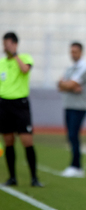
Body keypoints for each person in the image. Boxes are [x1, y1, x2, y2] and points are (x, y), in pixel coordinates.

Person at [0, 32, 43, 187]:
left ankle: (34, 178)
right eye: (4, 44)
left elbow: (25, 70)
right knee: (8, 141)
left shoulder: (25, 58)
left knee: (26, 140)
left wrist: (15, 55)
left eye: (7, 44)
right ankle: (12, 177)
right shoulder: (1, 63)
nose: (5, 47)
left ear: (15, 44)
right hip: (4, 105)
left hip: (20, 105)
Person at [58, 42, 86, 178]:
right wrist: (69, 86)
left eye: (75, 51)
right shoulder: (70, 68)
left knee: (73, 135)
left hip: (78, 107)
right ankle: (75, 166)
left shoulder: (84, 67)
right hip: (68, 105)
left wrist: (68, 85)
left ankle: (76, 166)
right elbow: (60, 85)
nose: (73, 54)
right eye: (71, 51)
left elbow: (70, 84)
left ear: (81, 52)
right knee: (70, 136)